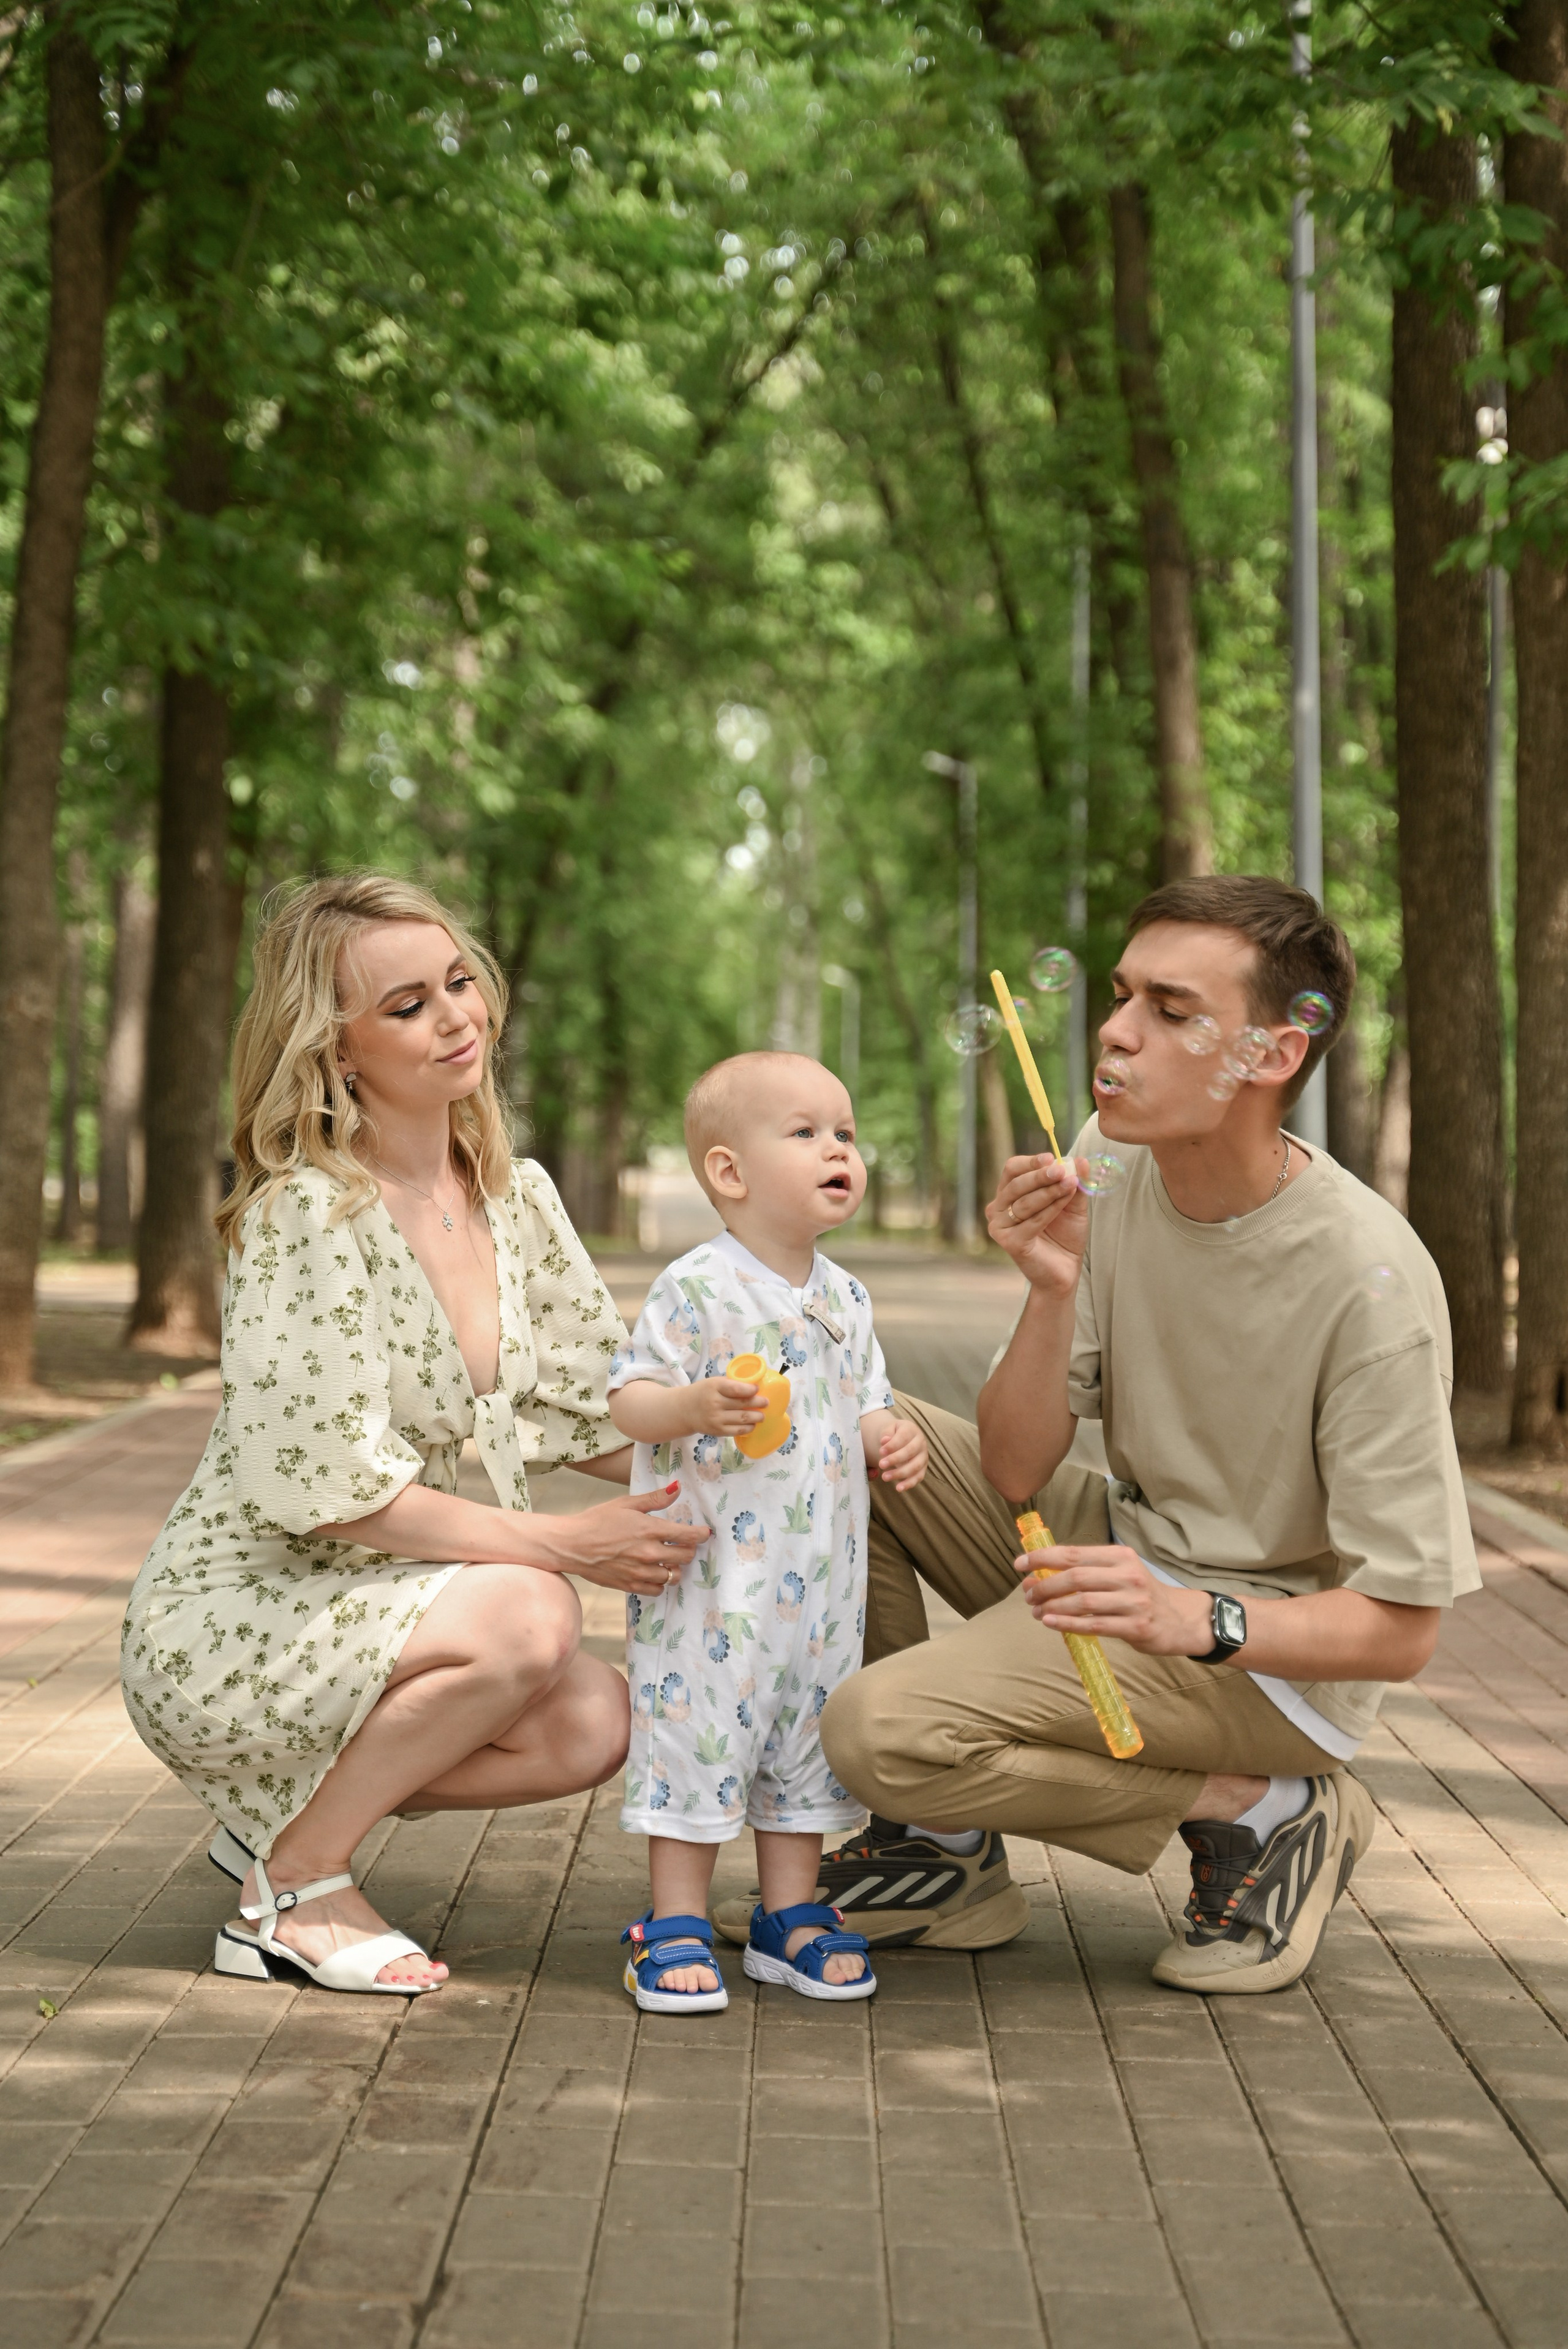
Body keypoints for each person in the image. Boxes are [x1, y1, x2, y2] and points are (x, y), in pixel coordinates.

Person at [719, 877, 1478, 1994]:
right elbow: (1018, 1468)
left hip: (1263, 1658)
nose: (1116, 1033)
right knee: (850, 1441)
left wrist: (1190, 1617)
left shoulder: (1370, 1285)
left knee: (877, 1731)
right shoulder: (1109, 1157)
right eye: (1123, 996)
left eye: (1171, 1012)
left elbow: (1404, 1630)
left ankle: (1264, 1809)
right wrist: (1049, 1287)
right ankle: (942, 1856)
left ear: (1270, 1057)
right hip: (1124, 1544)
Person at [121, 874, 706, 1996]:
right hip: (240, 1615)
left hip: (395, 1606)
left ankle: (279, 1823)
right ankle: (293, 1890)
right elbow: (333, 1494)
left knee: (593, 1723)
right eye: (405, 1005)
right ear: (334, 1048)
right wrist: (571, 1547)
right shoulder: (307, 1211)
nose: (456, 1016)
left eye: (459, 982)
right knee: (535, 1606)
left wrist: (771, 1450)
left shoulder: (514, 1195)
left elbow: (601, 1408)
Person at [606, 1051, 928, 2011]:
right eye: (807, 1133)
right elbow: (628, 1400)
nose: (839, 1149)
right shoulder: (698, 1287)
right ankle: (673, 1921)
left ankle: (790, 1914)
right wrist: (691, 1406)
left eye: (847, 1133)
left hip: (822, 1583)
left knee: (804, 1738)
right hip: (713, 1584)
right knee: (701, 1738)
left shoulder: (847, 1297)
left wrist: (887, 1436)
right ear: (729, 1173)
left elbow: (864, 1395)